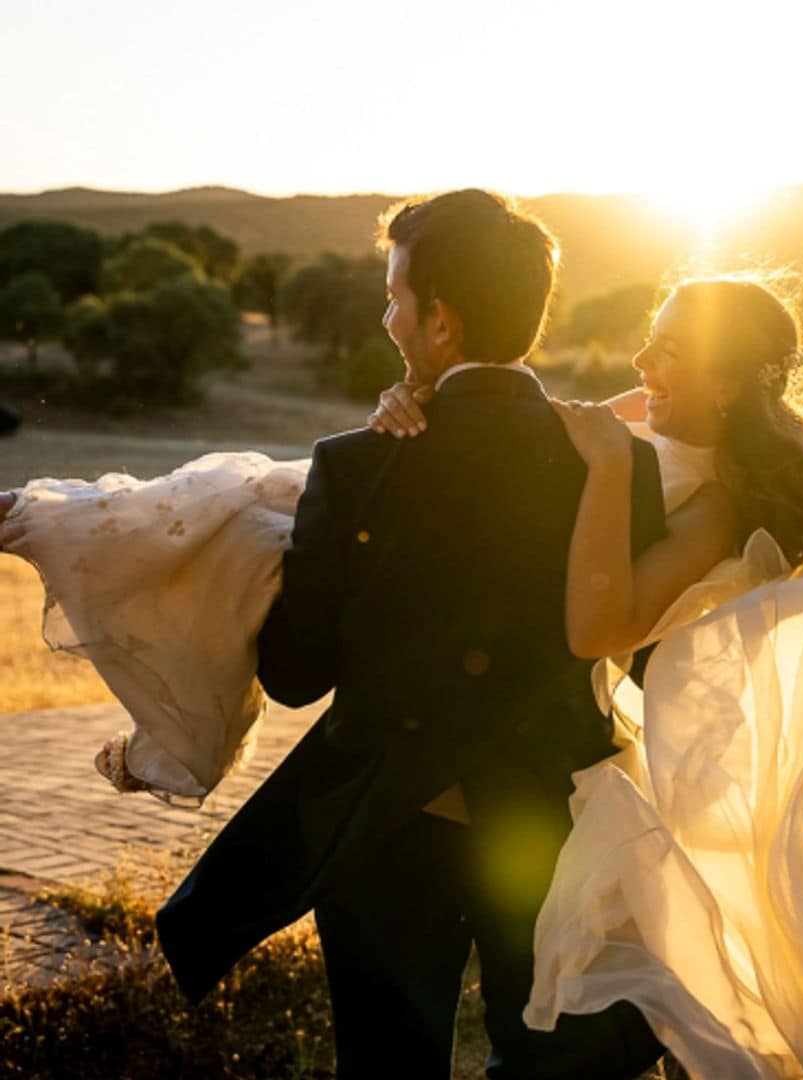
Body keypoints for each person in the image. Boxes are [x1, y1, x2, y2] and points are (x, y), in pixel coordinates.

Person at [0, 188, 668, 1079]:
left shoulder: (358, 465)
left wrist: (248, 570)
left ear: (441, 321)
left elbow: (294, 675)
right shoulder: (621, 462)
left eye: (395, 297)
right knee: (564, 1063)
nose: (386, 317)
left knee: (389, 1063)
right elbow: (651, 650)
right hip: (561, 820)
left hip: (388, 828)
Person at [364, 276, 803, 1078]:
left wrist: (608, 471)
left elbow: (597, 631)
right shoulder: (647, 413)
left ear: (727, 383)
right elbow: (517, 433)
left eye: (668, 349)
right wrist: (415, 398)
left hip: (645, 791)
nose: (641, 360)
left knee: (595, 1029)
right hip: (550, 762)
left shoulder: (721, 507)